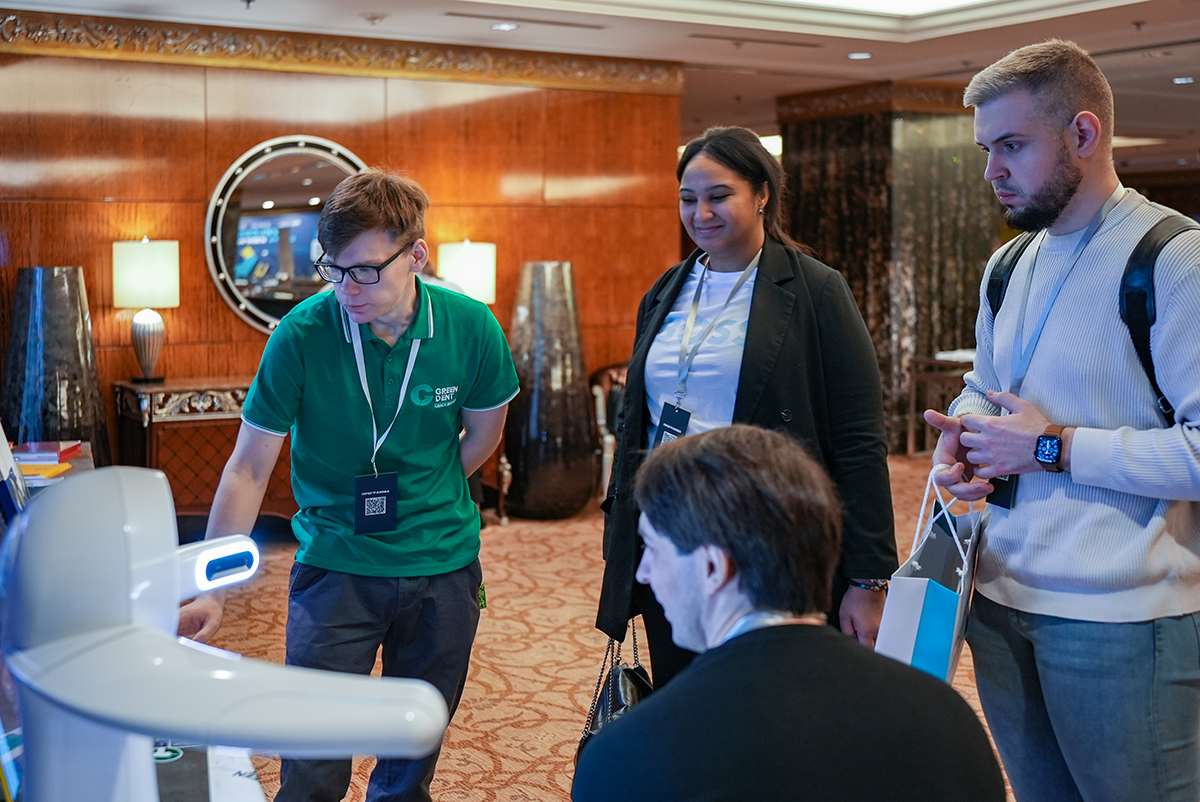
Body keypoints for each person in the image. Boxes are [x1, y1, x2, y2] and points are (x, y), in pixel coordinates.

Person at [177, 169, 519, 802]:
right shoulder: (301, 334)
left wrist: (426, 494)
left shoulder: (473, 327)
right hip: (335, 567)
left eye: (364, 271)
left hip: (443, 567)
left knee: (412, 756)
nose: (346, 289)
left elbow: (482, 438)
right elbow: (248, 469)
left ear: (416, 255)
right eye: (332, 270)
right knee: (312, 758)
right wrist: (213, 588)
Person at [924, 40, 1200, 802]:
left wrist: (1053, 448)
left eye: (1011, 146)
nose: (991, 171)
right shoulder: (1008, 265)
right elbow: (988, 388)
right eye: (986, 150)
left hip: (1120, 620)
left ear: (1083, 133)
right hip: (998, 601)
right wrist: (965, 436)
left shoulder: (1174, 260)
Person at [596, 125, 897, 685]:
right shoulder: (666, 290)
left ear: (762, 194)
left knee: (771, 693)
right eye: (688, 199)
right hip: (671, 531)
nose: (701, 213)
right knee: (685, 691)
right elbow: (637, 418)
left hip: (765, 532)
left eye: (719, 195)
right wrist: (623, 535)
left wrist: (869, 578)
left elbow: (859, 438)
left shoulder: (815, 290)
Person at [573, 425, 1006, 801]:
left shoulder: (627, 758)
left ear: (711, 568)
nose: (643, 573)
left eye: (652, 547)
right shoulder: (951, 724)